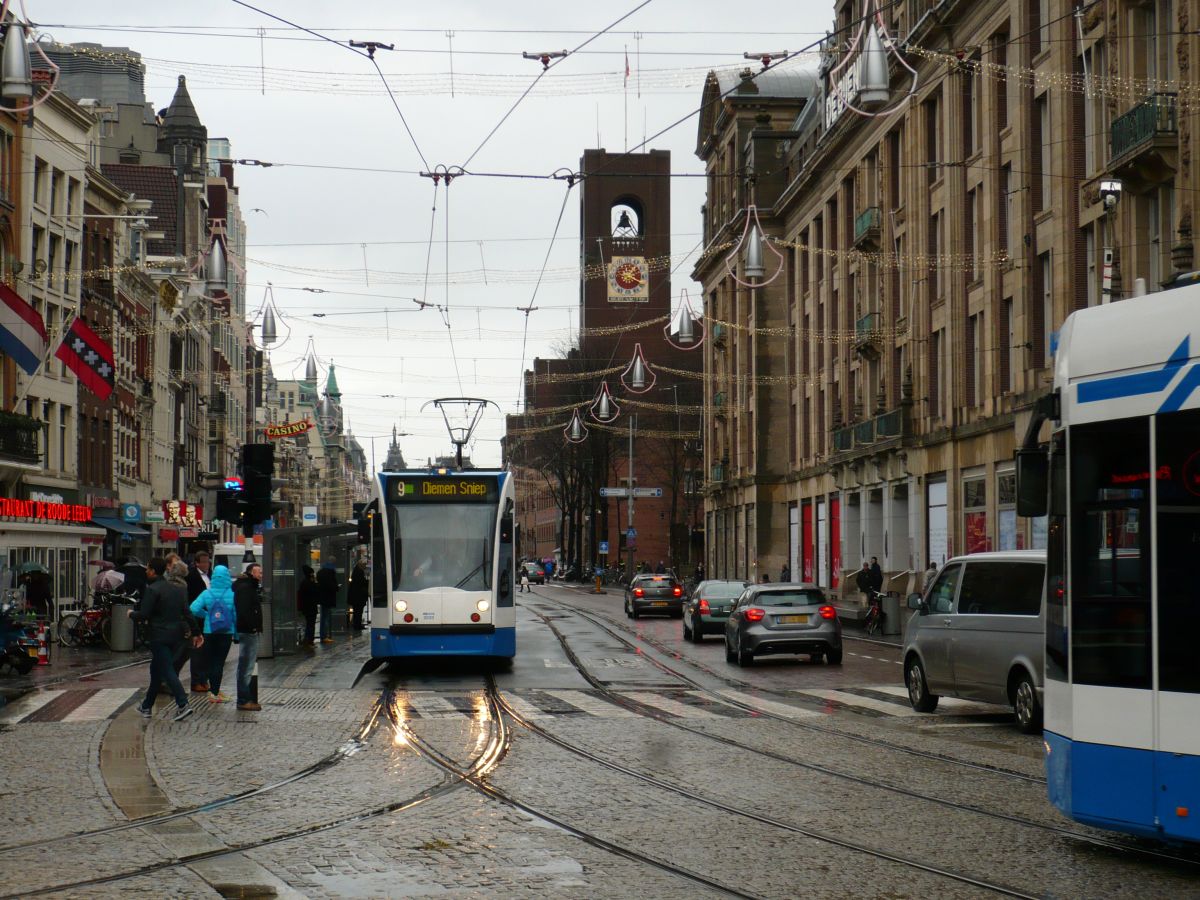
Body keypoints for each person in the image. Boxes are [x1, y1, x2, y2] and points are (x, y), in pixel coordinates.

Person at [130, 556, 197, 722]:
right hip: (176, 636)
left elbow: (144, 614)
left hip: (159, 636)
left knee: (167, 670)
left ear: (153, 571)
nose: (146, 571)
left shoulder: (153, 589)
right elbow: (187, 613)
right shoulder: (178, 589)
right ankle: (146, 705)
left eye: (147, 569)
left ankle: (183, 704)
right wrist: (196, 632)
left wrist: (131, 614)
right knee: (156, 670)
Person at [189, 564, 237, 703]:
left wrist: (207, 616)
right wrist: (237, 634)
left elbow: (192, 608)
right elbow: (235, 615)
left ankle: (213, 690)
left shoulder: (206, 593)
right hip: (226, 632)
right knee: (219, 662)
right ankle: (214, 691)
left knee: (210, 662)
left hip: (209, 632)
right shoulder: (232, 594)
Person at [233, 563, 263, 711]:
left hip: (248, 630)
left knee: (245, 666)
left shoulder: (247, 586)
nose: (261, 575)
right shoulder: (247, 588)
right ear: (251, 572)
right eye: (259, 573)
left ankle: (244, 698)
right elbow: (244, 610)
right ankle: (243, 699)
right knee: (246, 667)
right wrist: (252, 626)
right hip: (248, 631)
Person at [185, 552, 213, 693]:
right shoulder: (191, 577)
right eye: (204, 562)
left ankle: (204, 679)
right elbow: (190, 600)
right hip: (197, 617)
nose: (206, 564)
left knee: (207, 651)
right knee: (197, 651)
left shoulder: (211, 575)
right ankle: (196, 681)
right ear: (196, 563)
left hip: (209, 618)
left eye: (208, 561)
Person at [316, 562, 339, 643]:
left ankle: (324, 635)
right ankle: (324, 636)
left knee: (323, 617)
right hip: (328, 598)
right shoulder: (329, 575)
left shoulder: (320, 574)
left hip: (322, 598)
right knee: (325, 617)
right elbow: (332, 586)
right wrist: (336, 587)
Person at [297, 565, 320, 646]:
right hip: (310, 606)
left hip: (307, 607)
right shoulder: (309, 582)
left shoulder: (304, 582)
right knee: (311, 624)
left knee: (309, 623)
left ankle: (308, 640)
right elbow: (316, 591)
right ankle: (309, 640)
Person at [347, 559, 368, 632]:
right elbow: (361, 583)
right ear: (361, 565)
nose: (365, 566)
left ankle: (357, 624)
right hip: (358, 596)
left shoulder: (356, 571)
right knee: (358, 611)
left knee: (357, 611)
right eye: (364, 564)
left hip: (356, 596)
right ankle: (357, 625)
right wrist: (367, 582)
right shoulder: (359, 572)